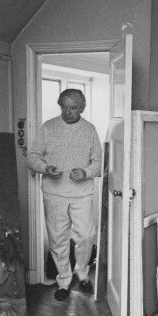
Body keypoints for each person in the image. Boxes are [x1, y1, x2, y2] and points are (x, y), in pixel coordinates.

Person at [27, 89, 102, 301]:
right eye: (64, 107)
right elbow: (32, 157)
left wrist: (86, 172)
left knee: (85, 237)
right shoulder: (48, 128)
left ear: (82, 108)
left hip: (82, 194)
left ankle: (83, 274)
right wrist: (45, 168)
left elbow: (99, 162)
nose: (68, 112)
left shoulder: (89, 130)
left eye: (73, 108)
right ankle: (64, 282)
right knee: (57, 239)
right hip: (54, 194)